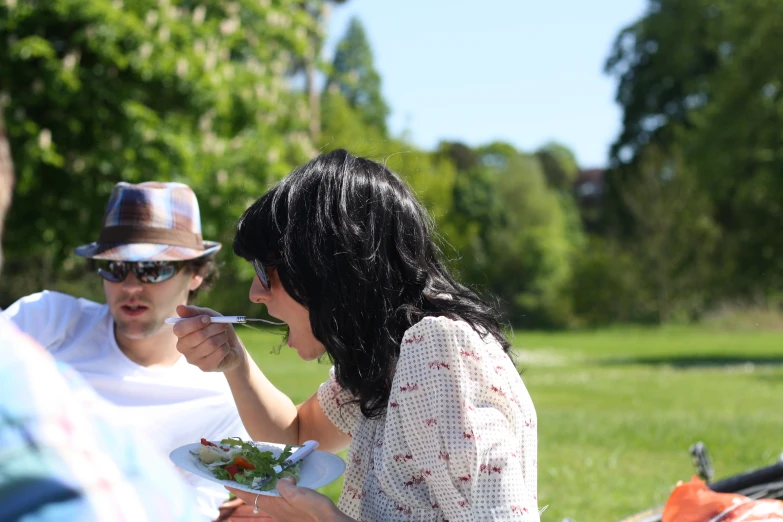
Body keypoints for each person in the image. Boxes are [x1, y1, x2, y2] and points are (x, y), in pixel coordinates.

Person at [173, 149, 540, 521]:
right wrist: (234, 363)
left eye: (266, 269)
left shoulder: (433, 350)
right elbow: (297, 437)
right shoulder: (386, 357)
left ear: (327, 266)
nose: (255, 292)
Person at [2, 181, 252, 520]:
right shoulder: (48, 323)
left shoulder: (222, 396)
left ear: (196, 273)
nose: (131, 286)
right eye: (116, 268)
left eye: (152, 269)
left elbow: (195, 512)